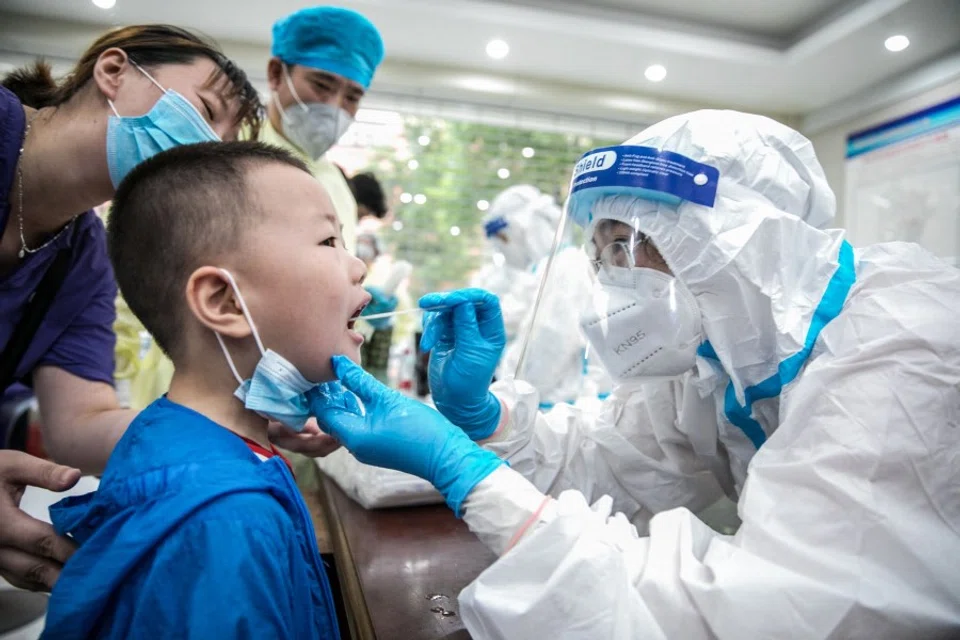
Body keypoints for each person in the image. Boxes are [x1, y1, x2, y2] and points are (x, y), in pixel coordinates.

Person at [316, 110, 960, 637]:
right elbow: (617, 465)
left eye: (626, 246)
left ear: (727, 239)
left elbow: (778, 612)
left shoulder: (904, 347)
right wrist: (489, 420)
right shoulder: (720, 361)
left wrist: (473, 479)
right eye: (601, 256)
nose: (611, 281)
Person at [44, 141, 357, 637]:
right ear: (225, 301)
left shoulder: (180, 434)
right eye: (328, 243)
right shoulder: (227, 521)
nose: (358, 268)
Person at [0, 24, 261, 592]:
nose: (206, 148)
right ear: (113, 71)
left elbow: (80, 425)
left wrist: (250, 428)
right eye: (206, 110)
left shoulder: (83, 258)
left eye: (222, 142)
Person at [257, 5, 384, 254]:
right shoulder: (228, 152)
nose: (334, 107)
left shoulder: (337, 186)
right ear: (275, 74)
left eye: (352, 97)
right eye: (322, 85)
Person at [474, 184, 608, 408]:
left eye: (504, 239)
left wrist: (508, 392)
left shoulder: (565, 267)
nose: (503, 249)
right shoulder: (541, 271)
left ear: (526, 229)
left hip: (559, 411)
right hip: (542, 409)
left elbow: (547, 351)